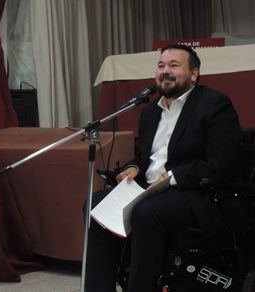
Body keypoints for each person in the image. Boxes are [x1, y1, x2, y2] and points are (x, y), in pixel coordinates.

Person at [85, 44, 242, 292]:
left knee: (146, 212)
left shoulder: (214, 105)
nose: (165, 71)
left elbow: (224, 164)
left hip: (191, 192)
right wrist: (134, 167)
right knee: (94, 204)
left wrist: (172, 177)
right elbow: (147, 157)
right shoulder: (150, 111)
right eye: (161, 66)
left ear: (194, 74)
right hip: (147, 188)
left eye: (174, 65)